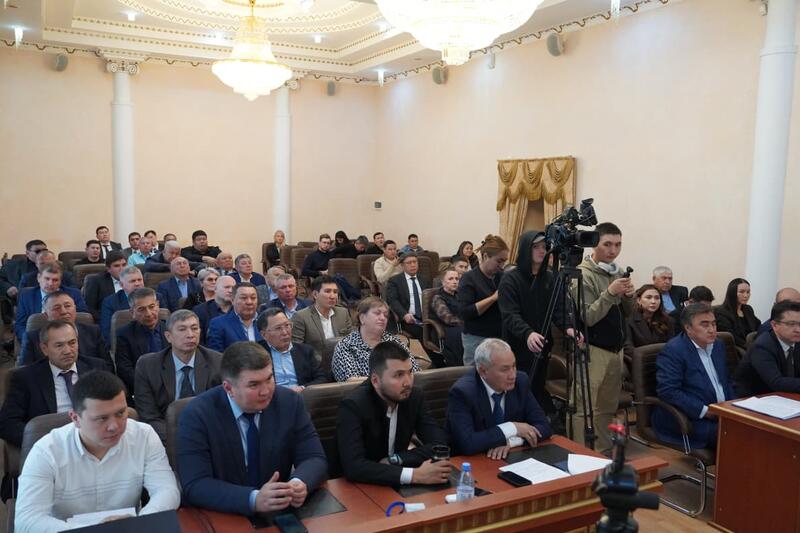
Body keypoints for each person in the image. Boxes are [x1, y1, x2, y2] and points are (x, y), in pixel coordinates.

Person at [14, 371, 178, 533]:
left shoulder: (144, 435)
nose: (114, 426)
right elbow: (26, 521)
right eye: (102, 418)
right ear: (75, 418)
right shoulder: (46, 451)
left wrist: (140, 522)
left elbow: (167, 491)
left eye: (120, 413)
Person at [177, 341, 327, 516]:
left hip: (279, 509)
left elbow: (314, 457)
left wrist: (299, 483)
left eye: (269, 379)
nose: (266, 391)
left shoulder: (289, 402)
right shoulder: (197, 415)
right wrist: (253, 499)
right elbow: (195, 484)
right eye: (254, 385)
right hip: (223, 514)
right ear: (228, 388)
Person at [336, 341, 449, 486]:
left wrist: (397, 459)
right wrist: (414, 475)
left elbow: (439, 444)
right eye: (398, 375)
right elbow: (354, 467)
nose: (407, 382)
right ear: (375, 381)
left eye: (410, 372)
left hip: (395, 481)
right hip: (358, 487)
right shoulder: (353, 405)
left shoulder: (414, 396)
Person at [569, 222, 634, 454]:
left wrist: (629, 296)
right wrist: (610, 293)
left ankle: (603, 453)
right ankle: (579, 454)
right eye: (607, 244)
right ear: (594, 244)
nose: (613, 250)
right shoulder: (582, 275)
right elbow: (588, 317)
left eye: (618, 245)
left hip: (615, 350)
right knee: (584, 407)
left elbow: (628, 313)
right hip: (592, 349)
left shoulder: (617, 271)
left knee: (607, 407)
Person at [499, 231, 577, 414]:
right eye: (536, 247)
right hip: (517, 346)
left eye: (544, 247)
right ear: (526, 249)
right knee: (515, 389)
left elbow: (558, 309)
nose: (542, 251)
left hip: (542, 345)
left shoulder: (550, 277)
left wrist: (568, 328)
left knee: (536, 386)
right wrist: (527, 333)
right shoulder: (510, 279)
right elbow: (510, 315)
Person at [0, 320, 110, 447]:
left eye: (72, 343)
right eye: (59, 345)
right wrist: (45, 443)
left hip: (95, 441)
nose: (67, 350)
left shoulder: (96, 368)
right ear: (44, 349)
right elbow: (7, 423)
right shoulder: (26, 378)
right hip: (50, 446)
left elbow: (112, 407)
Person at [447, 338, 552, 458]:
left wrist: (511, 441)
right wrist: (512, 427)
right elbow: (467, 443)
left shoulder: (520, 381)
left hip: (510, 457)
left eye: (514, 366)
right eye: (505, 369)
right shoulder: (463, 393)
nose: (512, 375)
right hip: (474, 461)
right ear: (483, 371)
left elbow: (544, 427)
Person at [652, 303, 734, 449]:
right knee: (733, 435)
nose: (712, 330)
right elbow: (668, 391)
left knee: (756, 427)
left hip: (722, 411)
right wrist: (706, 411)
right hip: (691, 417)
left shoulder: (718, 345)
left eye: (714, 324)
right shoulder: (674, 351)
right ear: (688, 328)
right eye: (704, 324)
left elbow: (725, 381)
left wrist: (734, 406)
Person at [135, 310, 222, 443]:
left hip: (208, 436)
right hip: (166, 438)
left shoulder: (217, 362)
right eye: (182, 329)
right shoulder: (148, 366)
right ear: (168, 336)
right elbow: (149, 416)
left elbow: (221, 411)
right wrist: (177, 441)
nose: (190, 335)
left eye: (194, 328)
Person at [332, 297, 419, 382]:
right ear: (362, 318)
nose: (383, 318)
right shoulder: (346, 346)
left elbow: (415, 371)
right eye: (377, 313)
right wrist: (390, 379)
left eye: (385, 315)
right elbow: (350, 381)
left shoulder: (394, 342)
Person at [19, 292, 109, 367]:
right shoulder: (32, 338)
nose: (64, 311)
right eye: (56, 308)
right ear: (46, 315)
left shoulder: (93, 332)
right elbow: (24, 371)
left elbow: (107, 365)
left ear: (75, 309)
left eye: (67, 306)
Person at [458, 235, 509, 365]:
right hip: (475, 338)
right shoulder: (469, 278)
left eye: (504, 261)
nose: (502, 265)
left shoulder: (502, 277)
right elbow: (465, 312)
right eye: (499, 261)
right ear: (485, 256)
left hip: (499, 336)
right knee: (474, 373)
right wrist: (493, 298)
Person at [735, 301, 800, 396]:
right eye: (791, 324)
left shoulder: (796, 341)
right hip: (754, 397)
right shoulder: (762, 347)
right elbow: (777, 382)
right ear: (774, 325)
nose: (798, 330)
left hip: (785, 396)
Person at [115, 288, 168, 396]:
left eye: (152, 307)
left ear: (158, 306)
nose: (148, 313)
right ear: (132, 312)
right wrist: (149, 388)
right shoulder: (124, 335)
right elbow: (125, 370)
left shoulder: (171, 329)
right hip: (143, 390)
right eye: (141, 309)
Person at [257, 308, 326, 391]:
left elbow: (322, 378)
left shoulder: (305, 351)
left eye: (287, 325)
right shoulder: (257, 353)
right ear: (264, 335)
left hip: (302, 395)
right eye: (278, 328)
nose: (285, 332)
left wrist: (302, 388)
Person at [14, 263, 88, 340]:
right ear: (39, 278)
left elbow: (83, 319)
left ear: (60, 281)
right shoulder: (26, 295)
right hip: (36, 339)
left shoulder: (74, 294)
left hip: (67, 337)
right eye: (47, 279)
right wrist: (30, 340)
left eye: (55, 280)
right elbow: (20, 325)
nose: (50, 283)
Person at [291, 275, 353, 357]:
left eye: (335, 292)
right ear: (315, 294)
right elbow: (298, 350)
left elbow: (351, 342)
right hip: (315, 363)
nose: (332, 296)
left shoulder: (343, 313)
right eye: (327, 291)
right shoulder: (301, 317)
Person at [386, 253, 431, 342]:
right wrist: (404, 314)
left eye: (415, 262)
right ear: (402, 266)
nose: (413, 265)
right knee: (423, 332)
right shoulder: (395, 281)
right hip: (408, 318)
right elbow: (393, 300)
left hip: (426, 317)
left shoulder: (424, 280)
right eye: (409, 263)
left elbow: (430, 299)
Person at [623, 284, 675, 359]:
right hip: (639, 361)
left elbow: (672, 346)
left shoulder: (668, 321)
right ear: (639, 300)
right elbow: (628, 348)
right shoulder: (629, 321)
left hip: (663, 360)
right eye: (648, 297)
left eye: (657, 298)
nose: (653, 301)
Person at [207, 282, 263, 352]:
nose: (249, 302)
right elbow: (215, 355)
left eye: (253, 298)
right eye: (244, 298)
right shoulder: (218, 324)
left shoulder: (265, 321)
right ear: (232, 300)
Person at [430, 268, 464, 366]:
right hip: (443, 328)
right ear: (443, 282)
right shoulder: (438, 298)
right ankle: (459, 367)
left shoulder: (460, 294)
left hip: (460, 324)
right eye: (450, 279)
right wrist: (467, 322)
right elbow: (448, 319)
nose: (455, 281)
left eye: (457, 279)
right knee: (462, 334)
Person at [714, 278, 760, 349]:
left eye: (748, 292)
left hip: (754, 346)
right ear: (732, 293)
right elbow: (731, 337)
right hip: (737, 349)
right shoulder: (721, 312)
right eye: (742, 292)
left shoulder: (748, 309)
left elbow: (758, 327)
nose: (746, 295)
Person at [83, 250, 127, 322]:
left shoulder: (134, 279)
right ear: (108, 269)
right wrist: (107, 321)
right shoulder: (96, 281)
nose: (122, 269)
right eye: (116, 266)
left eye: (124, 265)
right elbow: (89, 308)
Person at [194, 275, 235, 344]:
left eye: (233, 288)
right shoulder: (200, 311)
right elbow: (199, 341)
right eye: (227, 287)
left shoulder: (241, 309)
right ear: (215, 289)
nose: (231, 291)